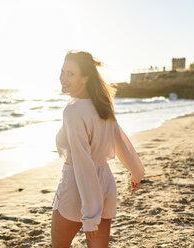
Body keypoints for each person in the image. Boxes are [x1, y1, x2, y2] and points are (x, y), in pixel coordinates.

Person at [51, 50, 145, 248]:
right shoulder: (102, 105)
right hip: (105, 185)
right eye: (62, 71)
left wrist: (90, 216)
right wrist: (135, 172)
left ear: (85, 78)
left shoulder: (73, 111)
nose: (62, 78)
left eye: (70, 73)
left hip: (77, 188)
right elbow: (120, 141)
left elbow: (82, 163)